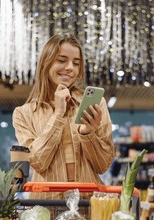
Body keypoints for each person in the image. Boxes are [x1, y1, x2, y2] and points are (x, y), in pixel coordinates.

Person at [12, 33, 115, 184]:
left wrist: (87, 133)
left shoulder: (95, 103)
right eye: (62, 60)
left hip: (87, 202)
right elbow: (37, 163)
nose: (70, 68)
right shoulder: (24, 113)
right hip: (46, 203)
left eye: (76, 63)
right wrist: (58, 114)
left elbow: (103, 165)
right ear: (45, 63)